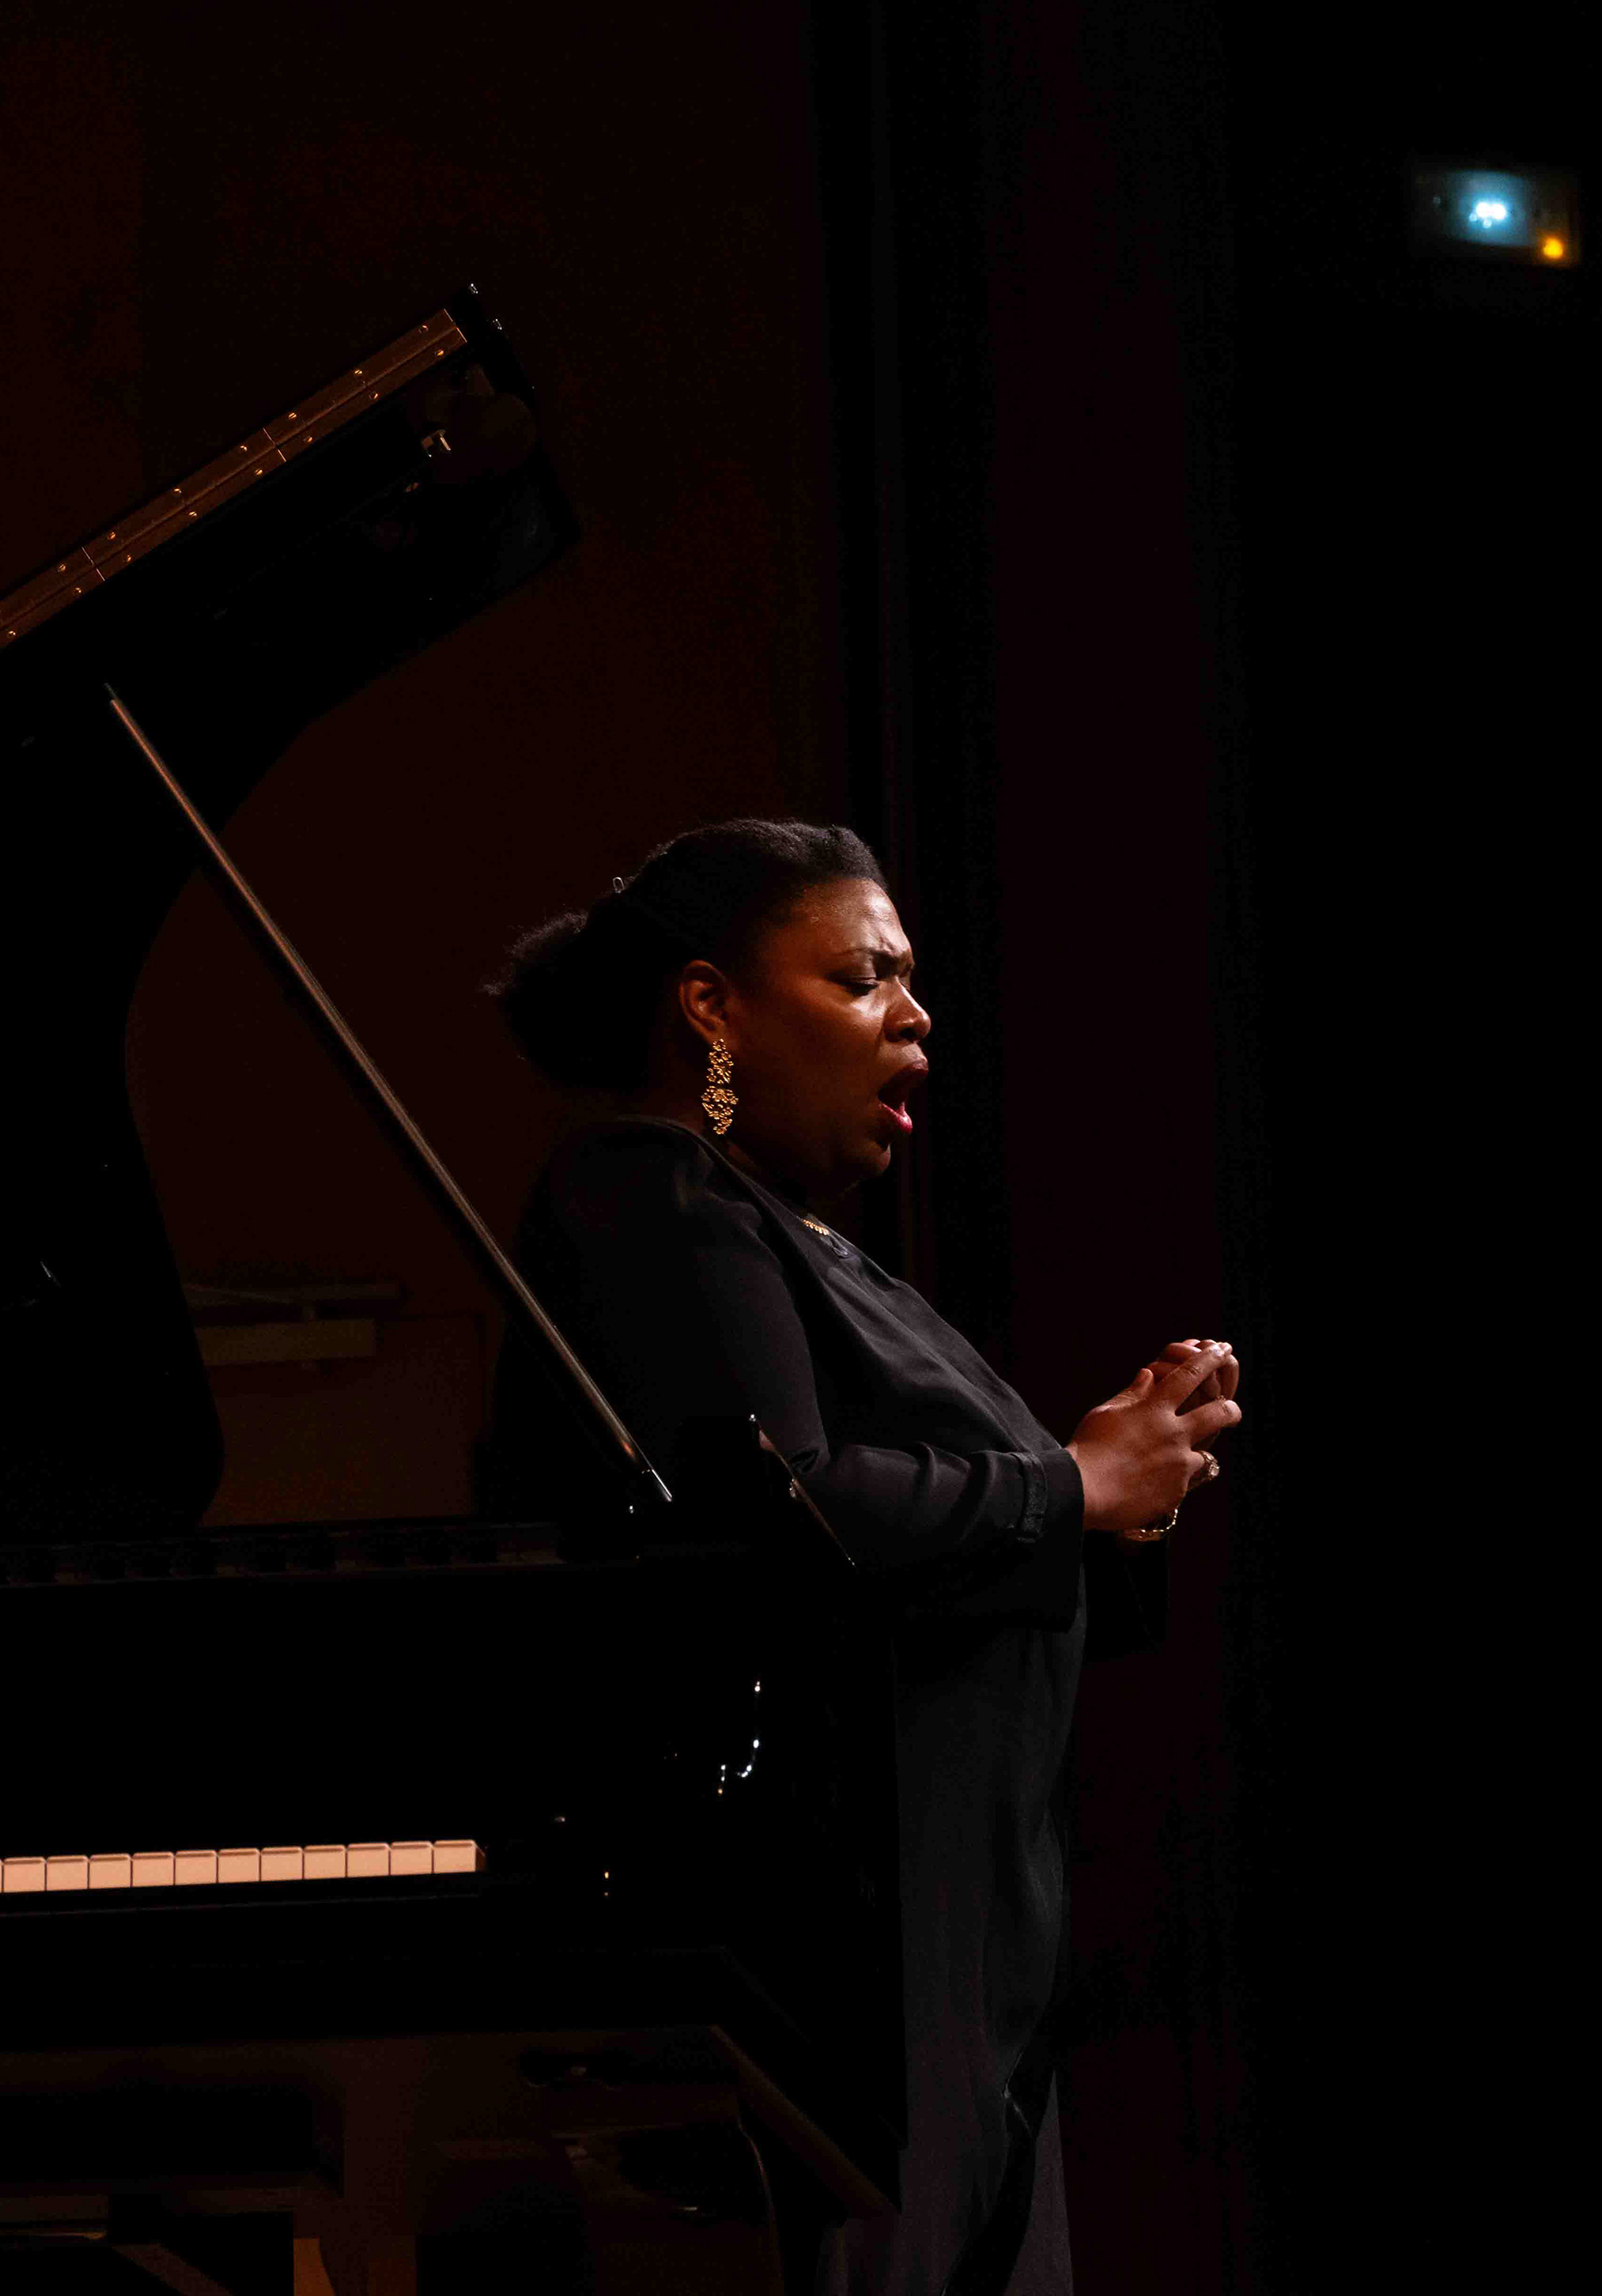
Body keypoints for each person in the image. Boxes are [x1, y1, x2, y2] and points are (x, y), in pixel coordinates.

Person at [483, 819, 1241, 2296]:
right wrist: (1069, 1482)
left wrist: (1125, 1488)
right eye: (861, 978)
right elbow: (785, 1512)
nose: (915, 1015)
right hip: (843, 1969)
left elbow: (972, 1551)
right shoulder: (648, 1188)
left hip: (966, 1966)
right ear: (711, 1007)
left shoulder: (821, 1253)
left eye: (908, 980)